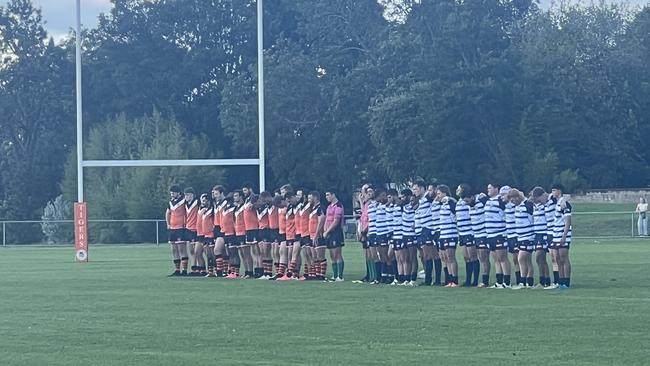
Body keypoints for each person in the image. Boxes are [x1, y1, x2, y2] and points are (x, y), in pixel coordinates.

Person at [480, 183, 511, 288]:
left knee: (502, 258)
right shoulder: (487, 201)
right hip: (490, 234)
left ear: (496, 189)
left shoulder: (500, 200)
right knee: (496, 259)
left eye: (490, 188)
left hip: (499, 233)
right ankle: (499, 282)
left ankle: (506, 282)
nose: (487, 190)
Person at [507, 189, 535, 289]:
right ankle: (529, 282)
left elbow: (533, 218)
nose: (511, 202)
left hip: (528, 237)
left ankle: (523, 282)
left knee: (521, 258)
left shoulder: (527, 205)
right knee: (527, 261)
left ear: (517, 197)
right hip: (520, 237)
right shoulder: (517, 206)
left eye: (512, 199)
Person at [436, 185, 459, 287]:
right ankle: (449, 279)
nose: (438, 196)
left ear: (445, 193)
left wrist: (449, 199)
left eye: (439, 194)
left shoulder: (450, 203)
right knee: (445, 258)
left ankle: (455, 279)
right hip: (443, 234)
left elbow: (455, 206)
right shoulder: (442, 205)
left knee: (451, 257)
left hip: (451, 234)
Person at [456, 184, 478, 287]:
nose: (457, 191)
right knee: (466, 257)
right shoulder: (458, 202)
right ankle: (468, 280)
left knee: (473, 257)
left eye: (459, 189)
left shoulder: (468, 201)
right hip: (462, 233)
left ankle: (475, 280)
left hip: (469, 232)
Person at [551, 184, 572, 289]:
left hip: (562, 234)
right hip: (556, 234)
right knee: (557, 258)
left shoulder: (564, 203)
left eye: (554, 190)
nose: (552, 192)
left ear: (559, 191)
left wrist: (564, 235)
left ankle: (566, 281)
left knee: (564, 258)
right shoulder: (557, 202)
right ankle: (561, 280)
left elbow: (568, 220)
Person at [530, 187, 551, 288]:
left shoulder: (546, 204)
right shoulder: (534, 205)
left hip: (544, 234)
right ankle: (545, 280)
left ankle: (543, 281)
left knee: (539, 256)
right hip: (537, 234)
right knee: (541, 259)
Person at [324, 188, 345, 281]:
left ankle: (340, 276)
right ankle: (335, 274)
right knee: (332, 255)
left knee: (337, 254)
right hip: (328, 233)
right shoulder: (329, 207)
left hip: (336, 232)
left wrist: (327, 231)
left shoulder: (338, 206)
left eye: (328, 195)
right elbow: (327, 219)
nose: (326, 197)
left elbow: (336, 221)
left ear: (333, 195)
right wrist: (325, 230)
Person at [166, 185, 186, 276]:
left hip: (180, 228)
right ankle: (177, 270)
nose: (172, 194)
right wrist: (168, 224)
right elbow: (168, 212)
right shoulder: (170, 202)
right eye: (171, 193)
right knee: (174, 249)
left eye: (173, 193)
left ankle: (184, 270)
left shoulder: (183, 201)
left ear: (178, 193)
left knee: (181, 249)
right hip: (172, 228)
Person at [184, 188, 199, 276]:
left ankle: (198, 268)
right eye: (185, 195)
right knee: (191, 251)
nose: (186, 197)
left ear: (192, 195)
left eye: (188, 195)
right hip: (188, 228)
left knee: (196, 250)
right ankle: (193, 268)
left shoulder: (197, 203)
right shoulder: (186, 204)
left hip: (195, 229)